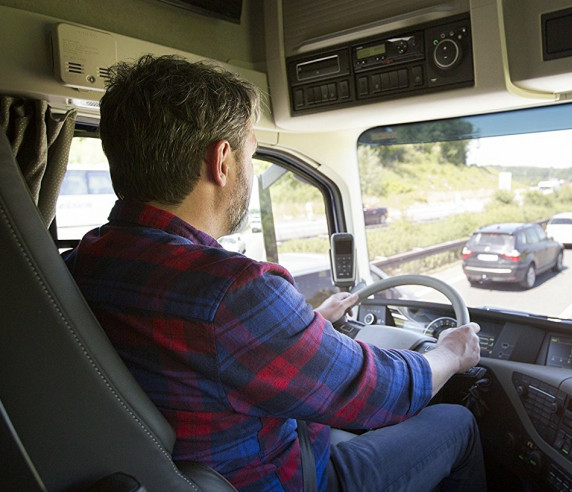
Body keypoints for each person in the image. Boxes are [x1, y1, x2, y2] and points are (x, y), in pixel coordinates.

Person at [62, 54, 485, 492]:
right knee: (456, 421)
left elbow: (203, 353)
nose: (251, 165)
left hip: (168, 475)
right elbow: (378, 393)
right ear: (222, 161)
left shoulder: (86, 259)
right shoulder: (232, 290)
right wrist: (451, 354)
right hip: (288, 480)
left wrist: (312, 324)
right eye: (251, 152)